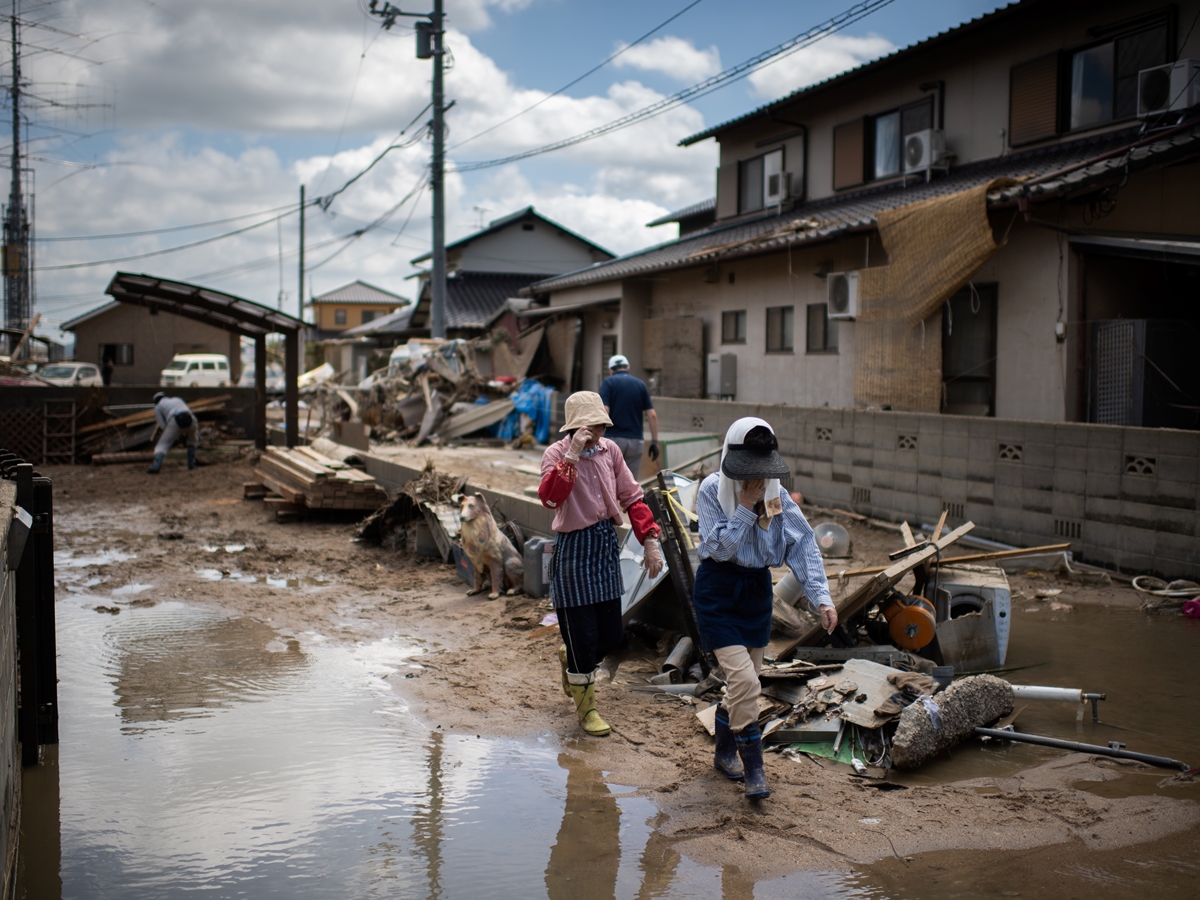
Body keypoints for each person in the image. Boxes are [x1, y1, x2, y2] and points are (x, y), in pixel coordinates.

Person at [693, 417, 837, 800]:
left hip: (756, 592)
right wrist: (743, 508)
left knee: (743, 684)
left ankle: (724, 754)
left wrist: (821, 597)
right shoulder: (710, 490)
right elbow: (717, 548)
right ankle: (755, 767)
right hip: (718, 590)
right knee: (745, 681)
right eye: (745, 473)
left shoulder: (777, 495)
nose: (753, 481)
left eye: (759, 473)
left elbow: (802, 545)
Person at [539, 391, 664, 736]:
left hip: (604, 544)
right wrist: (573, 455)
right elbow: (551, 498)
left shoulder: (611, 452)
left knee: (609, 635)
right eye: (591, 425)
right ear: (576, 427)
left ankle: (571, 661)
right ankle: (587, 708)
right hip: (574, 548)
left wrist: (650, 541)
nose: (597, 432)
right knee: (582, 637)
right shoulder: (556, 454)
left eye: (600, 425)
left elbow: (632, 497)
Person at [598, 354, 658, 478]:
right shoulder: (640, 384)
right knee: (630, 485)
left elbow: (605, 410)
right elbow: (652, 415)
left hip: (613, 440)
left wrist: (598, 436)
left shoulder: (608, 382)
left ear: (611, 370)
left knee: (610, 482)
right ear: (628, 367)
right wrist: (654, 442)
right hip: (636, 441)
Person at [147, 392, 198, 474]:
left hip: (175, 419)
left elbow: (162, 425)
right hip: (191, 418)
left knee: (162, 444)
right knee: (192, 440)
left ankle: (156, 466)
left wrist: (172, 434)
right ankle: (191, 463)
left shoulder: (158, 407)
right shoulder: (177, 399)